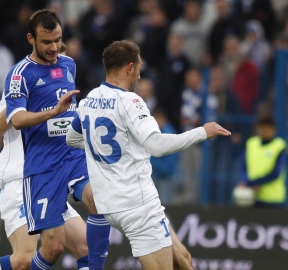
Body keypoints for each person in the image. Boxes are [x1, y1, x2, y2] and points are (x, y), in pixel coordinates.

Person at [66, 40, 230, 269]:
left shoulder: (89, 100)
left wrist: (101, 150)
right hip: (138, 205)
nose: (140, 76)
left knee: (184, 259)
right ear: (130, 67)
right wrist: (203, 132)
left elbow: (71, 139)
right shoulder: (131, 101)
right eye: (139, 68)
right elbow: (157, 146)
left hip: (110, 205)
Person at [3, 9, 110, 269]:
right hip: (42, 167)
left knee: (98, 198)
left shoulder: (68, 64)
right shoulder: (19, 75)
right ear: (31, 38)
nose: (54, 48)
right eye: (47, 42)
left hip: (72, 156)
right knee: (52, 248)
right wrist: (52, 112)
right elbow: (15, 120)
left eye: (58, 40)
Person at [237, 116, 287, 208]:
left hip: (273, 199)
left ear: (274, 129)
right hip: (252, 197)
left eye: (268, 128)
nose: (265, 130)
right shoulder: (251, 144)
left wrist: (254, 183)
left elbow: (276, 172)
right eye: (262, 127)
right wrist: (244, 181)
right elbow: (243, 166)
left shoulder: (279, 146)